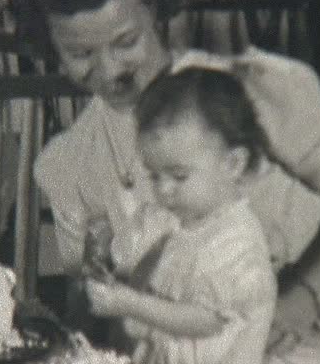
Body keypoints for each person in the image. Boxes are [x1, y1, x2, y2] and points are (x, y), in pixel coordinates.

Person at [28, 0, 320, 363]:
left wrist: (299, 304)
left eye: (125, 41)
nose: (110, 70)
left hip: (308, 334)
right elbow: (88, 308)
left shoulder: (247, 90)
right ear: (51, 46)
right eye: (80, 53)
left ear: (153, 8)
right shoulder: (71, 162)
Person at [84, 66, 277, 364]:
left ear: (233, 164)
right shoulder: (178, 219)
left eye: (178, 175)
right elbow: (141, 267)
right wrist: (109, 253)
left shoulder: (236, 242)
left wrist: (131, 304)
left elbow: (204, 323)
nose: (164, 190)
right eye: (154, 176)